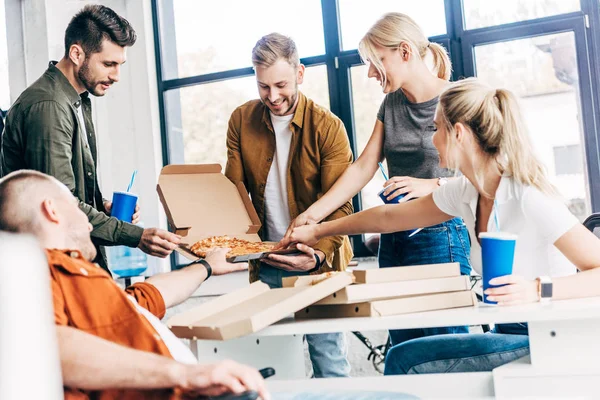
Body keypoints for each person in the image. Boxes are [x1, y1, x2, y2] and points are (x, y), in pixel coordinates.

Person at [282, 77, 600, 374]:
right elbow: (388, 218)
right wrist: (317, 229)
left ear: (458, 133)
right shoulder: (467, 191)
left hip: (548, 339)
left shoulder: (528, 197)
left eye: (436, 129)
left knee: (404, 359)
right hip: (506, 330)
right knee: (401, 353)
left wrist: (536, 290)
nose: (432, 139)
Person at [282, 12, 471, 346]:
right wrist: (314, 213)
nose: (369, 72)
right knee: (401, 343)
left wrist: (434, 185)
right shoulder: (392, 104)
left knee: (443, 345)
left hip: (440, 234)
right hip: (394, 236)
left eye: (375, 61)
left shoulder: (458, 100)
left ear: (404, 52)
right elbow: (363, 166)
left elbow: (480, 171)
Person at [0, 169, 270, 400]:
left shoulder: (78, 279)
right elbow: (45, 344)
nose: (91, 224)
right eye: (77, 204)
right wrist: (190, 374)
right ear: (52, 209)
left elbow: (147, 297)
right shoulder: (31, 274)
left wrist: (207, 266)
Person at [0, 4, 180, 273]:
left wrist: (102, 207)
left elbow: (67, 191)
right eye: (108, 64)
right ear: (76, 53)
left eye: (120, 65)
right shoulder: (49, 106)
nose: (116, 76)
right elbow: (59, 206)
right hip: (52, 270)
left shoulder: (75, 99)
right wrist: (137, 236)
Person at [224, 33, 354, 378]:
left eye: (280, 84)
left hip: (320, 264)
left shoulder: (328, 128)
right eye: (263, 86)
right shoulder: (241, 120)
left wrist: (317, 253)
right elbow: (232, 193)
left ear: (300, 73)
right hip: (268, 260)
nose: (273, 96)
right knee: (274, 365)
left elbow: (342, 207)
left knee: (330, 363)